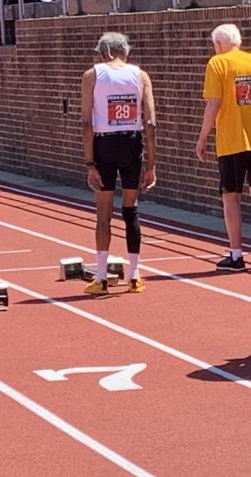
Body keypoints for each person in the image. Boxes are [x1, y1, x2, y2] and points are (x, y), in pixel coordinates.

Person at [196, 23, 251, 271]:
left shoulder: (217, 63)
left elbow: (214, 103)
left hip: (232, 141)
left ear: (218, 44)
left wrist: (202, 138)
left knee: (230, 197)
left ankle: (236, 254)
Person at [79, 32, 157, 295]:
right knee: (130, 208)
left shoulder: (92, 75)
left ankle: (101, 276)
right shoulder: (140, 75)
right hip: (131, 143)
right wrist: (151, 164)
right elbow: (150, 122)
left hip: (104, 144)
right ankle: (134, 276)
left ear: (106, 53)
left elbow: (86, 123)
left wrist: (90, 163)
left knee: (103, 213)